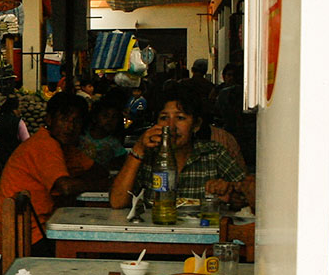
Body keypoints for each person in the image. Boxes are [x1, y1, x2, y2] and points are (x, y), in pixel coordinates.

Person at [108, 84, 252, 209]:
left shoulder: (214, 153)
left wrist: (230, 192)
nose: (170, 127)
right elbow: (117, 201)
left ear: (196, 125)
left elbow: (249, 194)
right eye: (164, 118)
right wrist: (138, 149)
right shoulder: (148, 156)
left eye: (180, 118)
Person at [0, 90, 110, 227]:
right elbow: (66, 187)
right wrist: (100, 184)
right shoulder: (44, 143)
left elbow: (99, 171)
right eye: (64, 119)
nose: (70, 127)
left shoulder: (65, 147)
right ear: (49, 120)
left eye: (76, 121)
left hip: (41, 225)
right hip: (29, 236)